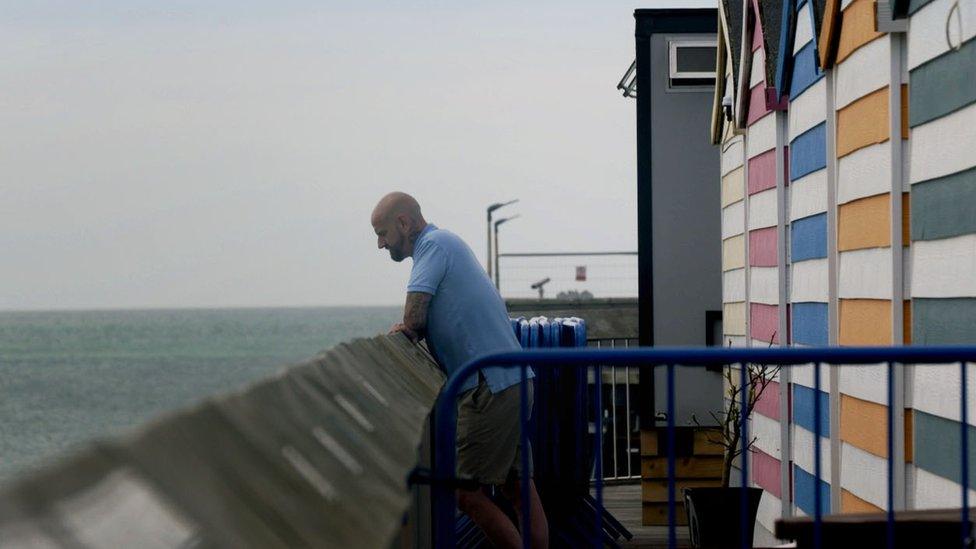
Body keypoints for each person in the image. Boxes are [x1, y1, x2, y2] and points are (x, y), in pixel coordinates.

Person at [371, 192, 548, 549]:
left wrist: (401, 331)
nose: (380, 244)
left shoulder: (433, 246)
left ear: (404, 224)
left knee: (463, 493)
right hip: (512, 379)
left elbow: (413, 319)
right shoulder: (448, 243)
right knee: (518, 489)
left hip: (490, 387)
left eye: (383, 232)